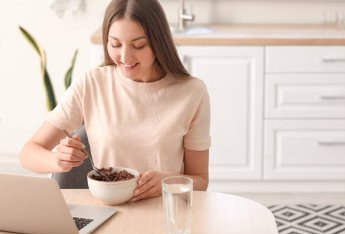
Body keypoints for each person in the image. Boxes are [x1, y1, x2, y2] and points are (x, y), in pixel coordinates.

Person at [20, 0, 211, 201]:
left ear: (158, 42)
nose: (125, 56)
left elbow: (200, 180)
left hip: (164, 212)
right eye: (115, 44)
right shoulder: (92, 84)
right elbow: (29, 153)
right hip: (107, 213)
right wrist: (58, 160)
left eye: (139, 45)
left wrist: (169, 181)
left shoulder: (192, 92)